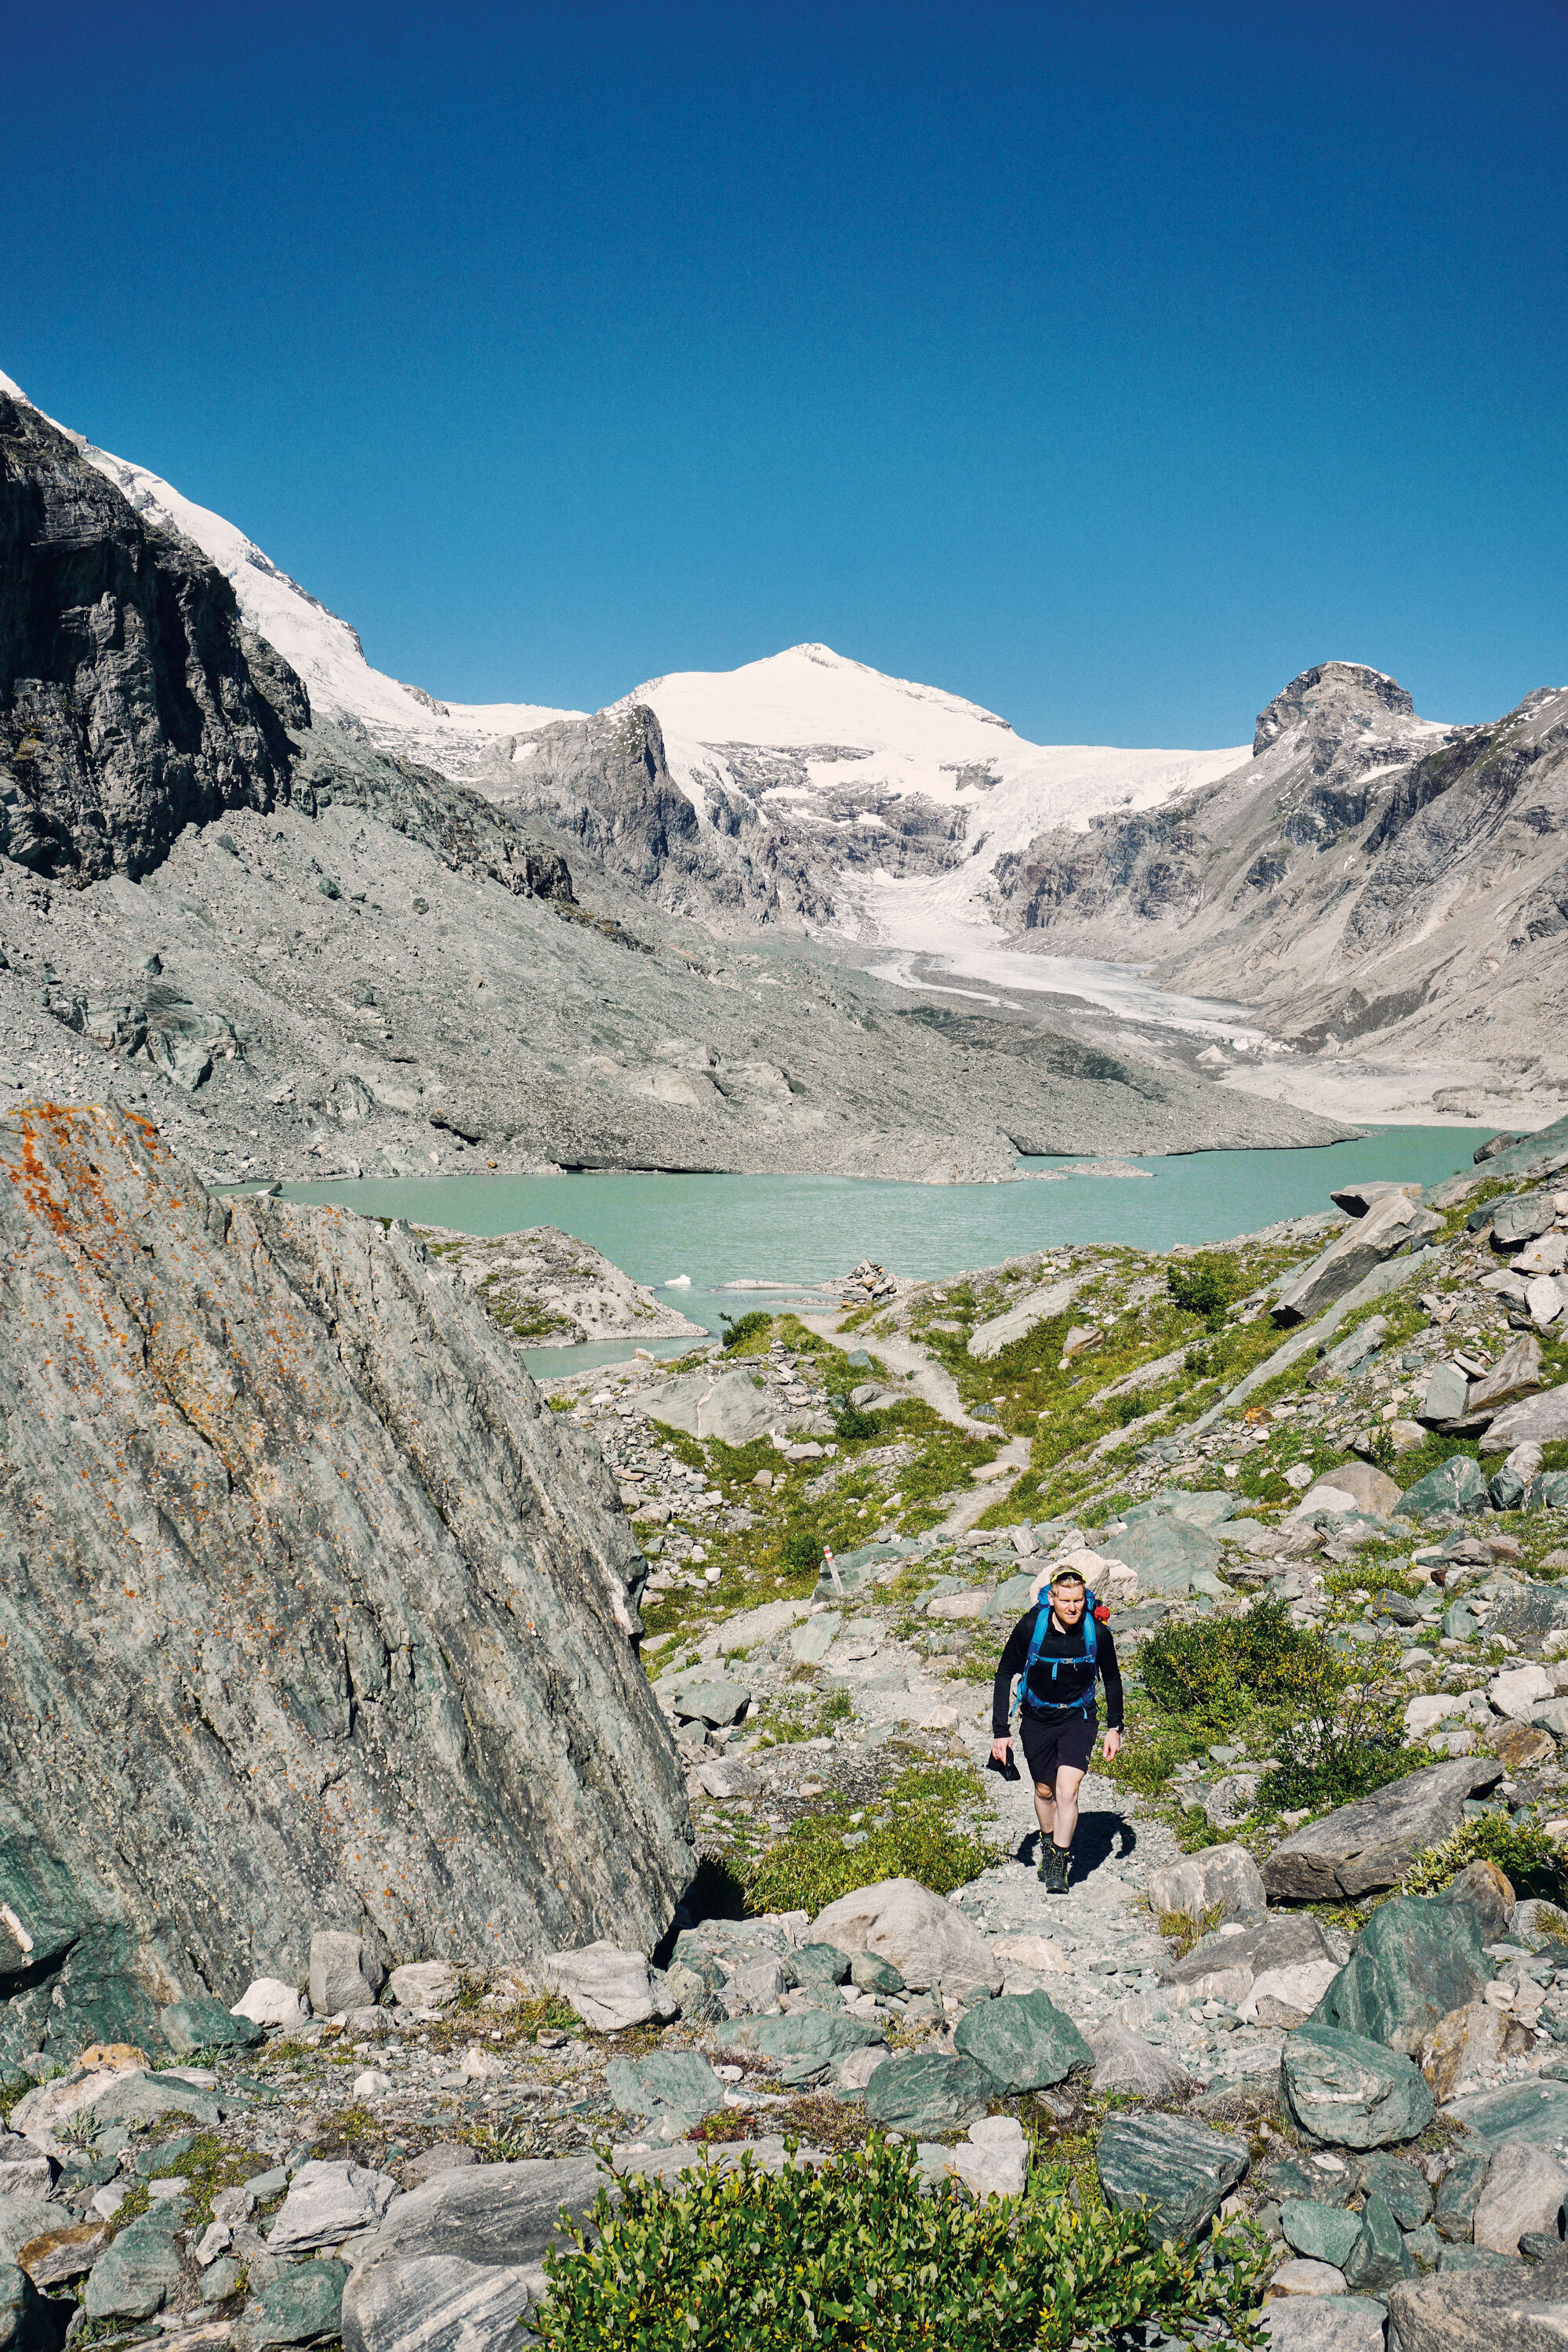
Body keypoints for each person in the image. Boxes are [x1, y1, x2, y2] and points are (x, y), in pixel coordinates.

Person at [990, 1566, 1123, 1893]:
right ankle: (1048, 1843)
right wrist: (1000, 1730)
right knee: (1045, 1791)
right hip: (1036, 1718)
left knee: (1067, 1790)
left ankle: (1059, 1862)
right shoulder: (1031, 1627)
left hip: (1078, 1717)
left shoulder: (1097, 1632)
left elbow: (1113, 1680)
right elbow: (1005, 1671)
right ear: (1052, 1598)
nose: (1072, 1607)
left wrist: (1114, 1728)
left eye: (1078, 1600)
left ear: (1084, 1599)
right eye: (1065, 1600)